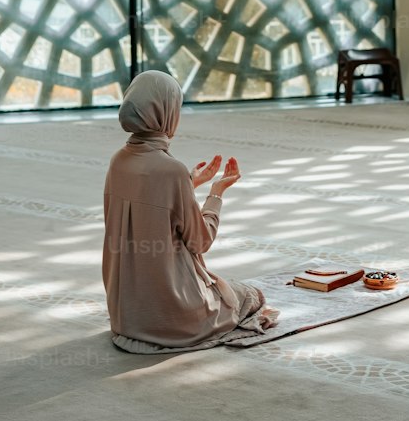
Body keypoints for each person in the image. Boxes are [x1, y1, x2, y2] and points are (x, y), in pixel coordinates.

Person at [102, 69, 279, 353]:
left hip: (126, 313)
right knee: (249, 296)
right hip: (173, 316)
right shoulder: (170, 171)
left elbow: (145, 209)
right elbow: (200, 241)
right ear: (165, 112)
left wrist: (189, 183)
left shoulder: (118, 160)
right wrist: (216, 193)